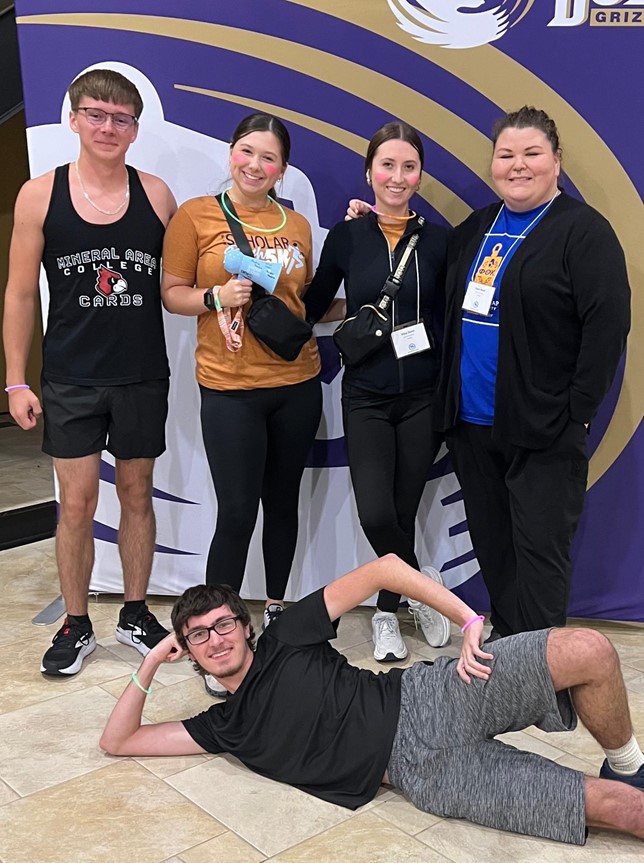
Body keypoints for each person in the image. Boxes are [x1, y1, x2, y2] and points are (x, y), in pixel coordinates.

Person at [100, 554, 644, 846]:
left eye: (223, 625)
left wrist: (469, 620)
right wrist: (150, 660)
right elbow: (118, 740)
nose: (215, 639)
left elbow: (384, 568)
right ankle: (627, 787)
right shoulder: (221, 727)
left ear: (245, 627)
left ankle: (628, 764)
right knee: (621, 810)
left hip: (431, 697)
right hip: (425, 775)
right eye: (198, 635)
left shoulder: (288, 637)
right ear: (188, 651)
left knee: (589, 649)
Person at [3, 69, 177, 676]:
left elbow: (178, 284)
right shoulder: (38, 194)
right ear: (73, 118)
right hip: (71, 378)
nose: (108, 127)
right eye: (96, 114)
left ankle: (133, 611)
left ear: (135, 129)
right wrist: (16, 380)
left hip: (140, 374)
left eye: (120, 118)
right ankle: (76, 623)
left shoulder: (156, 194)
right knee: (76, 504)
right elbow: (21, 294)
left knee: (136, 495)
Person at [435, 106, 630, 638]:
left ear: (557, 162)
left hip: (544, 428)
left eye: (531, 153)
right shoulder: (475, 229)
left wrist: (577, 413)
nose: (517, 165)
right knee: (494, 545)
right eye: (506, 154)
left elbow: (607, 327)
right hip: (473, 426)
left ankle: (546, 672)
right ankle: (507, 654)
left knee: (541, 552)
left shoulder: (583, 232)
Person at [161, 113, 322, 694]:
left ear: (283, 168)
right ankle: (213, 632)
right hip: (228, 389)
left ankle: (276, 613)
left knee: (283, 504)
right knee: (235, 514)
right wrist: (214, 295)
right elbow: (172, 292)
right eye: (246, 152)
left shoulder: (298, 224)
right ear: (231, 153)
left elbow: (306, 301)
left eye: (269, 158)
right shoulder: (195, 215)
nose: (255, 165)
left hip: (297, 385)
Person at [304, 121, 450, 663]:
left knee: (404, 506)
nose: (396, 176)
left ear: (419, 174)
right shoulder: (347, 236)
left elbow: (448, 312)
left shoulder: (439, 240)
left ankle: (389, 611)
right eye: (386, 165)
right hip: (365, 394)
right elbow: (316, 303)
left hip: (422, 396)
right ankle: (422, 585)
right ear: (369, 172)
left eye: (407, 166)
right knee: (375, 511)